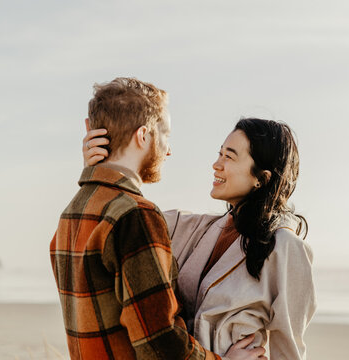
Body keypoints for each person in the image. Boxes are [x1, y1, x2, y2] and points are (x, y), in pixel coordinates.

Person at [51, 77, 266, 360]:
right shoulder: (135, 216)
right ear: (143, 136)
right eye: (164, 135)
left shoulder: (72, 214)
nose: (168, 150)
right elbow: (159, 342)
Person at [84, 117, 316, 359]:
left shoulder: (287, 248)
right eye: (220, 153)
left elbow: (289, 349)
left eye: (230, 156)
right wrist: (101, 167)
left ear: (262, 178)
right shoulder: (195, 227)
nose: (216, 164)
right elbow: (114, 221)